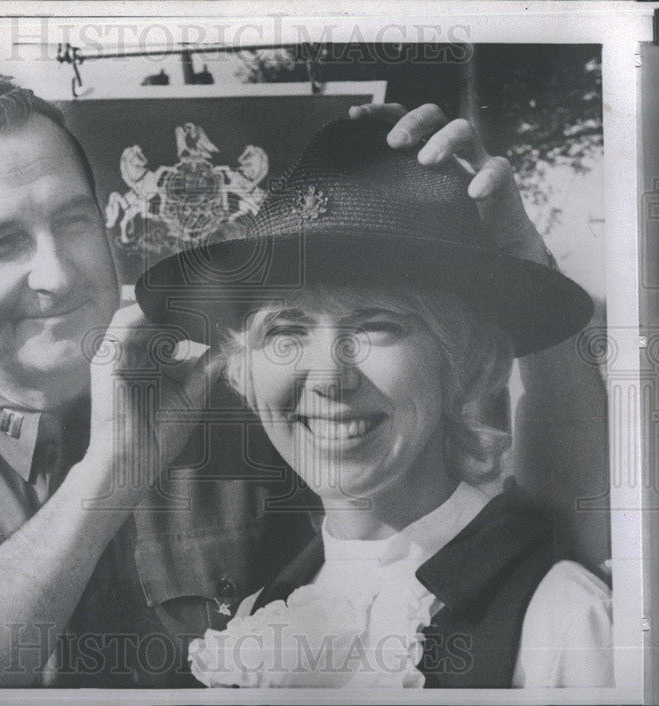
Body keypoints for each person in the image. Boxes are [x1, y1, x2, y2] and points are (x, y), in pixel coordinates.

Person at [0, 70, 607, 687]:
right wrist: (108, 483)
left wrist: (515, 266)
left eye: (72, 221)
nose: (54, 274)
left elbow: (549, 534)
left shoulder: (252, 411)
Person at [136, 116, 613, 688]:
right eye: (285, 333)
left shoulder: (559, 618)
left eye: (376, 326)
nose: (328, 377)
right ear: (240, 373)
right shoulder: (257, 622)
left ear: (467, 364)